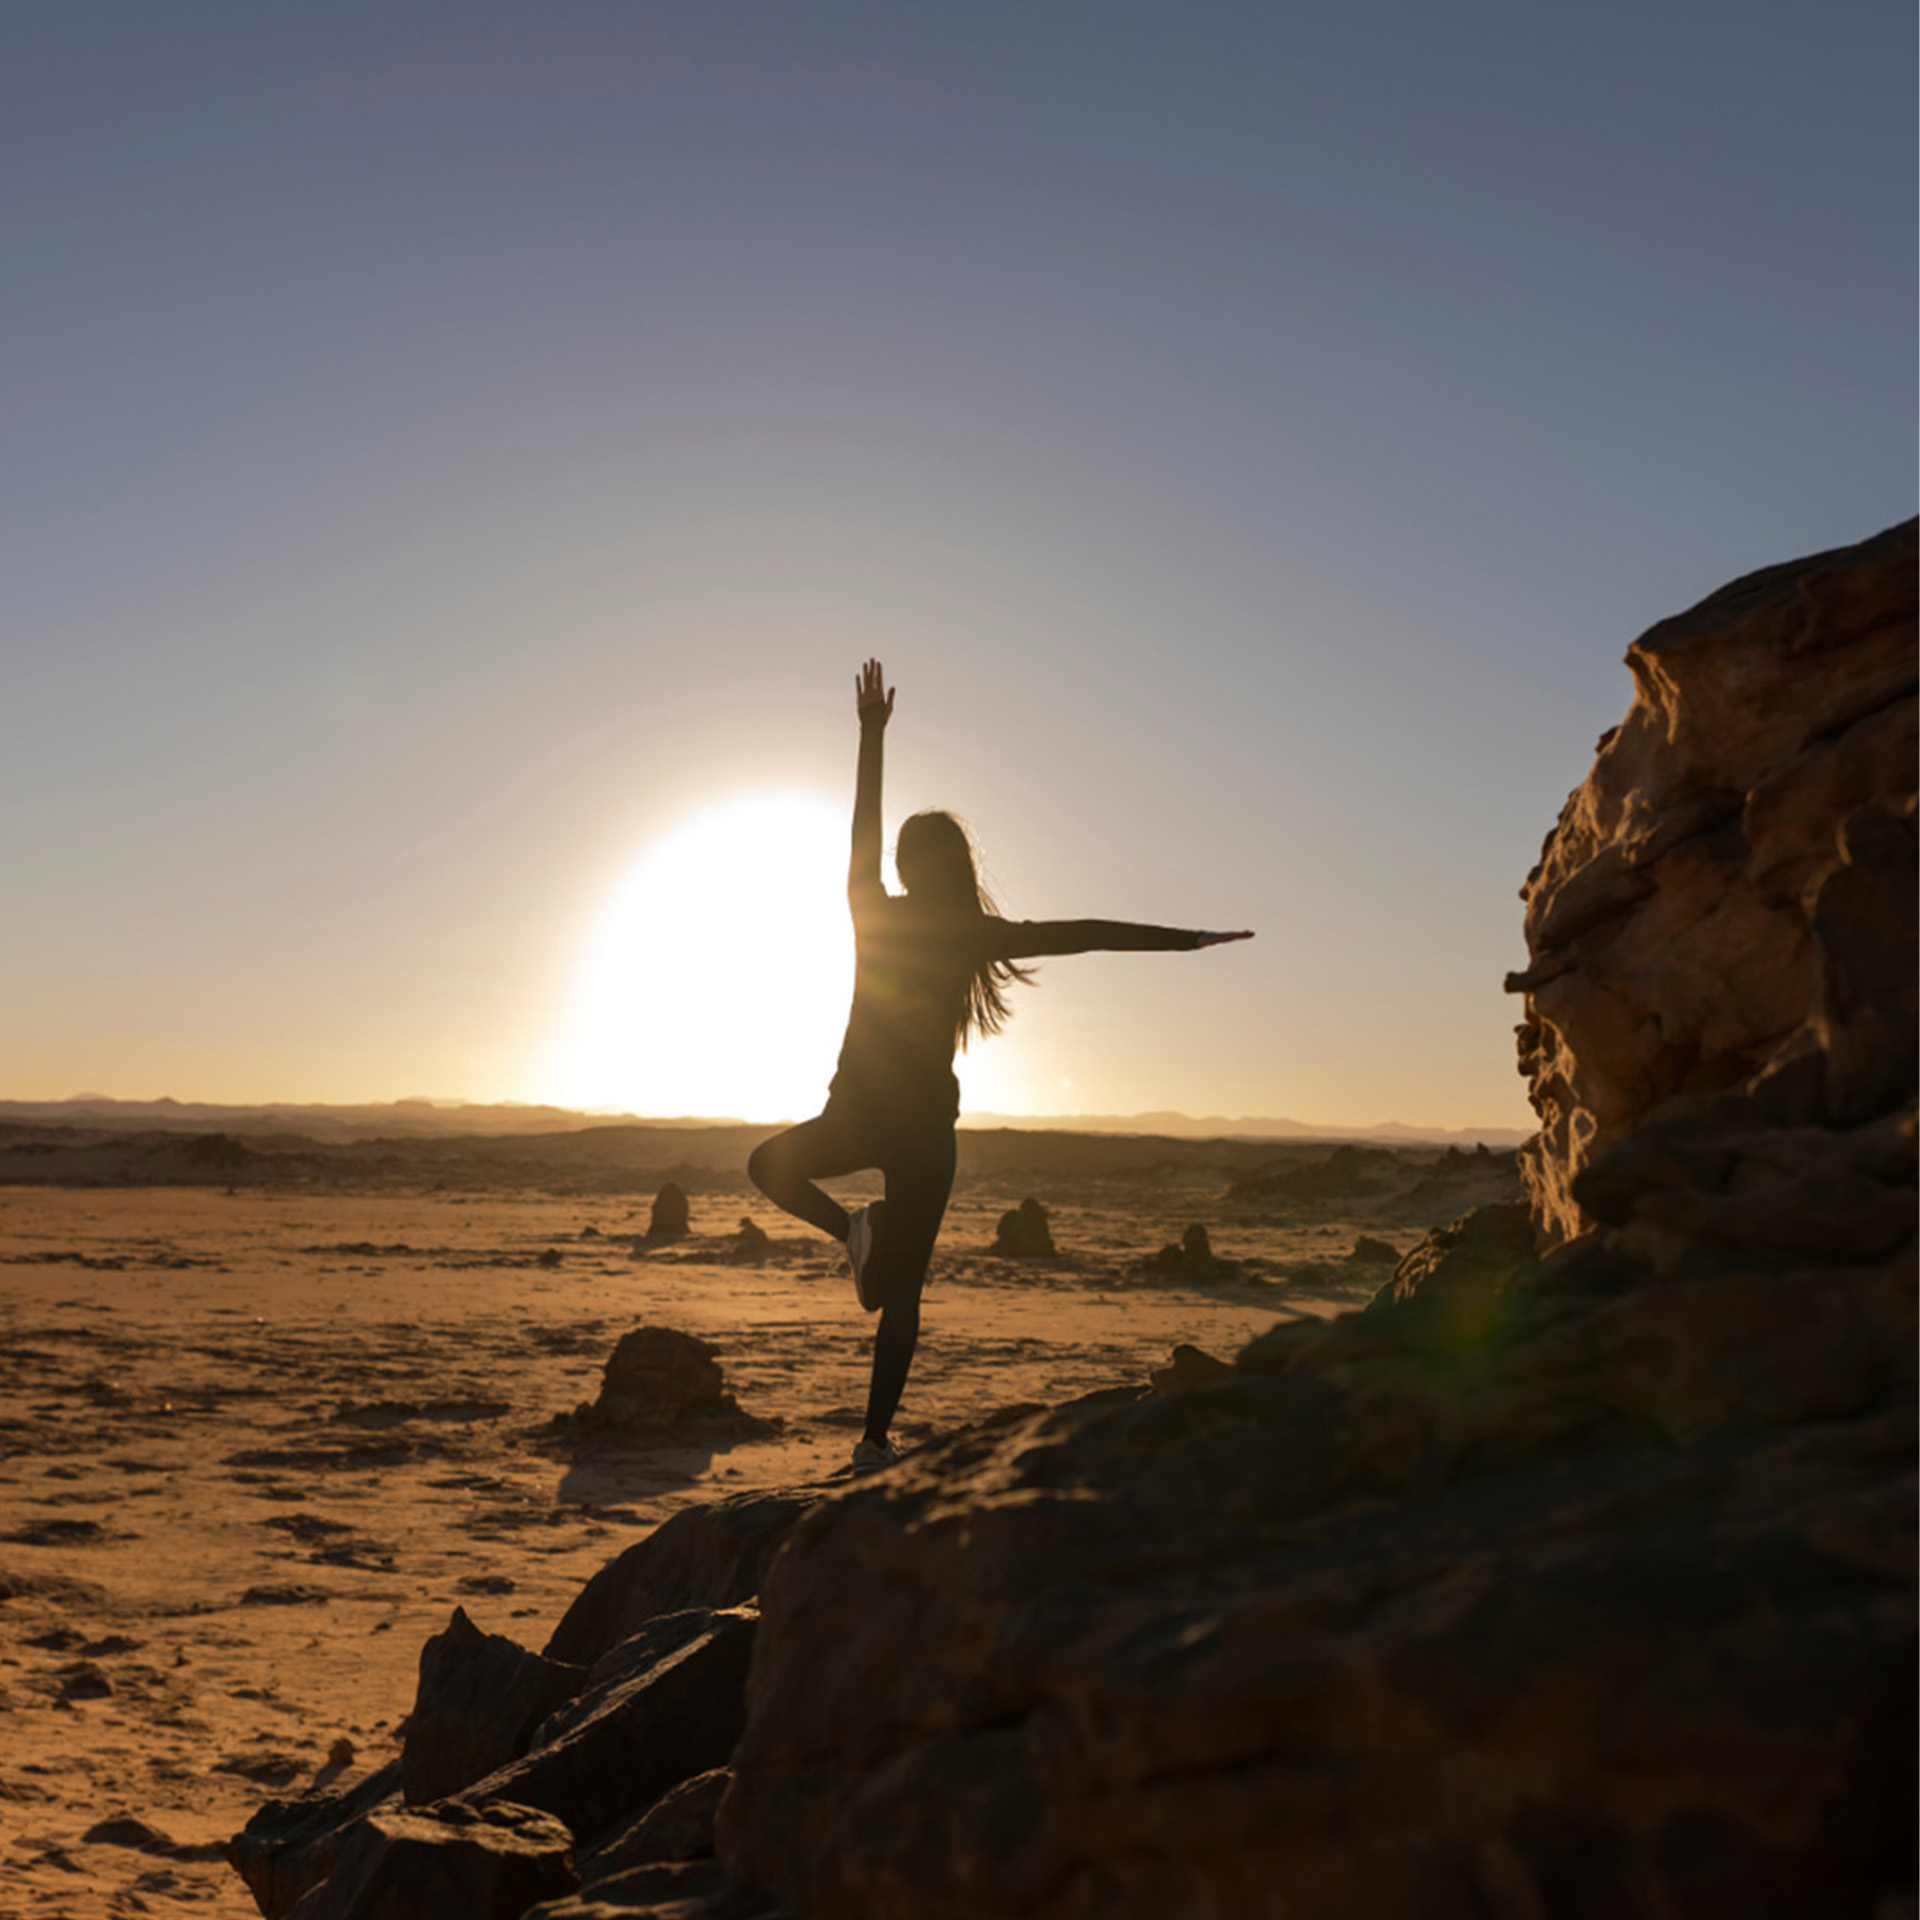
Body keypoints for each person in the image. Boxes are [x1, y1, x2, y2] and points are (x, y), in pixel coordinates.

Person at [747, 660, 1252, 1475]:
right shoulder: (968, 934)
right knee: (897, 1290)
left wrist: (871, 736)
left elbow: (862, 839)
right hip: (922, 1130)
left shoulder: (875, 914)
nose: (900, 862)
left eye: (908, 854)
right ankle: (871, 1430)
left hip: (872, 1115)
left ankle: (855, 1266)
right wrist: (1185, 939)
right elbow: (1084, 929)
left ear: (917, 867)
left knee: (771, 1169)